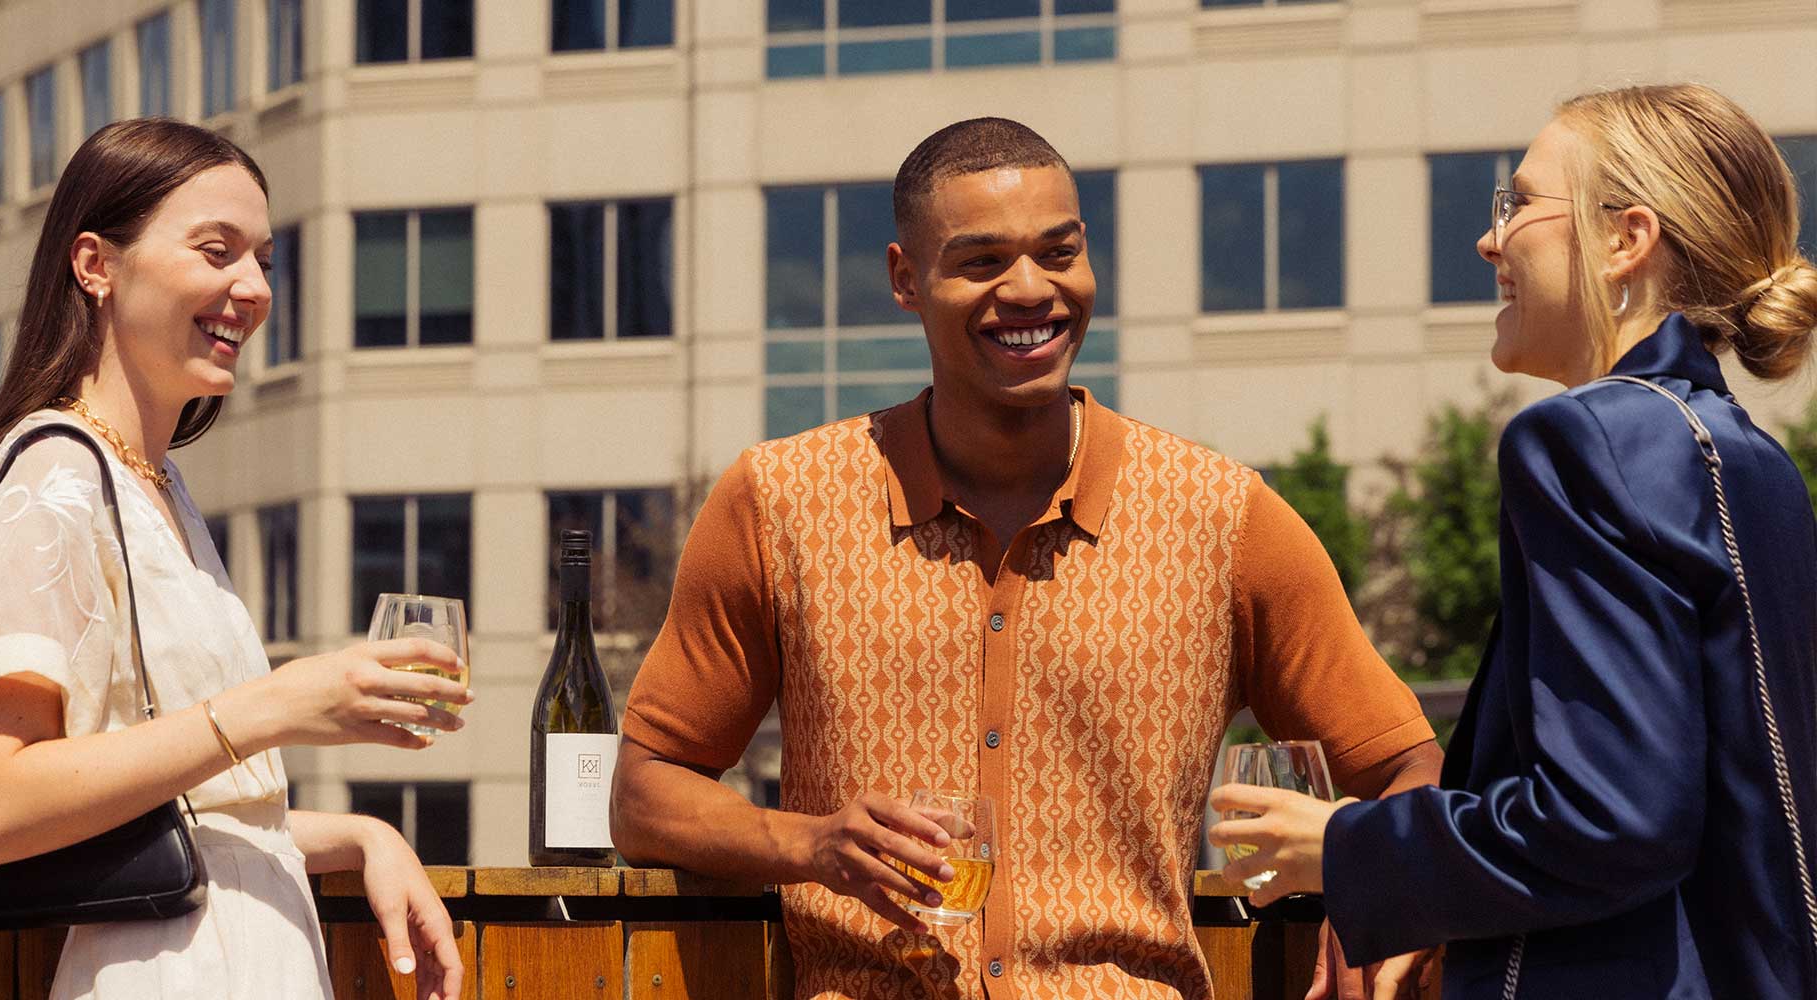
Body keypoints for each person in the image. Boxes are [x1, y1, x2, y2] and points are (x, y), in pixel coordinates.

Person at [610, 117, 1443, 999]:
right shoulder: (777, 503)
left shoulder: (1224, 516)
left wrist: (1376, 898)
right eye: (981, 262)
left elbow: (1404, 766)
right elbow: (645, 792)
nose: (1030, 289)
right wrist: (810, 845)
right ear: (905, 279)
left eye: (1060, 252)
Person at [1210, 82, 1817, 999]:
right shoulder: (1749, 458)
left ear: (1626, 240)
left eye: (1521, 203)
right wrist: (1438, 902)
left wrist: (1342, 849)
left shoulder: (1588, 439)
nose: (1492, 239)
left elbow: (1611, 818)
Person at [0, 119, 470, 1000]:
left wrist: (362, 835)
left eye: (261, 258)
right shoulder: (56, 474)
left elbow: (197, 818)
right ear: (95, 264)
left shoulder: (155, 484)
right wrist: (278, 704)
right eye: (217, 250)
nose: (251, 287)